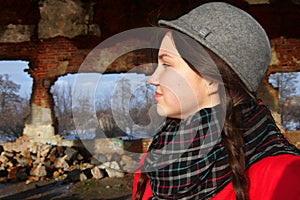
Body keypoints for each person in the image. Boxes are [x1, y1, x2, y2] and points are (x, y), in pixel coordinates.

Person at [132, 2, 300, 200]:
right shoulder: (152, 167)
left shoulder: (282, 177)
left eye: (167, 64)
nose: (153, 79)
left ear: (212, 79)